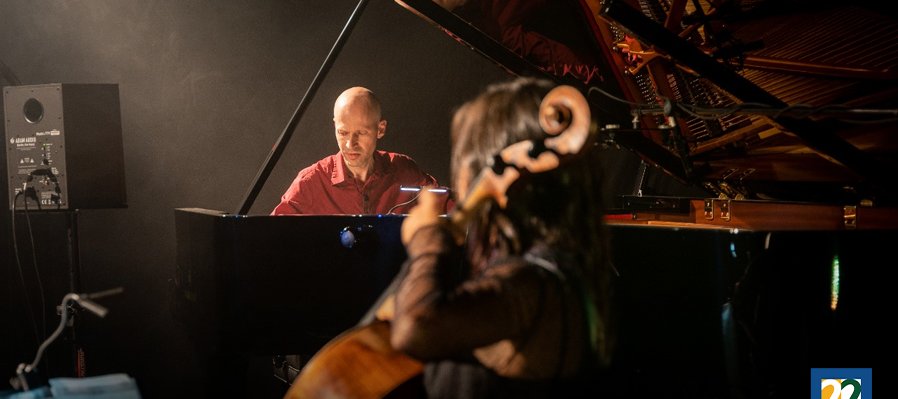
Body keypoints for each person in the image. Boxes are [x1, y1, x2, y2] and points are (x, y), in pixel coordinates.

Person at [389, 77, 615, 397]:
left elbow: (414, 327)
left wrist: (427, 238)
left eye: (465, 158)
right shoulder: (556, 272)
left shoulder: (532, 282)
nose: (463, 179)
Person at [271, 86, 450, 215]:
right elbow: (272, 236)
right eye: (343, 133)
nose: (350, 144)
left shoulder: (404, 170)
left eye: (361, 133)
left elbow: (451, 211)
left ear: (380, 129)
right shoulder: (310, 182)